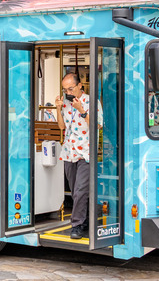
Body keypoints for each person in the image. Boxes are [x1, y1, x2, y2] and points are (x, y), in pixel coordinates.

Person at [54, 73, 102, 240]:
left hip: (86, 153)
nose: (68, 92)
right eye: (65, 89)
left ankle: (76, 225)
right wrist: (59, 109)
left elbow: (98, 125)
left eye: (71, 88)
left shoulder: (92, 102)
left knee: (81, 190)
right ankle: (87, 220)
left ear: (80, 86)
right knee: (76, 191)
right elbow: (61, 127)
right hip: (69, 152)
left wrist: (82, 111)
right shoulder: (66, 104)